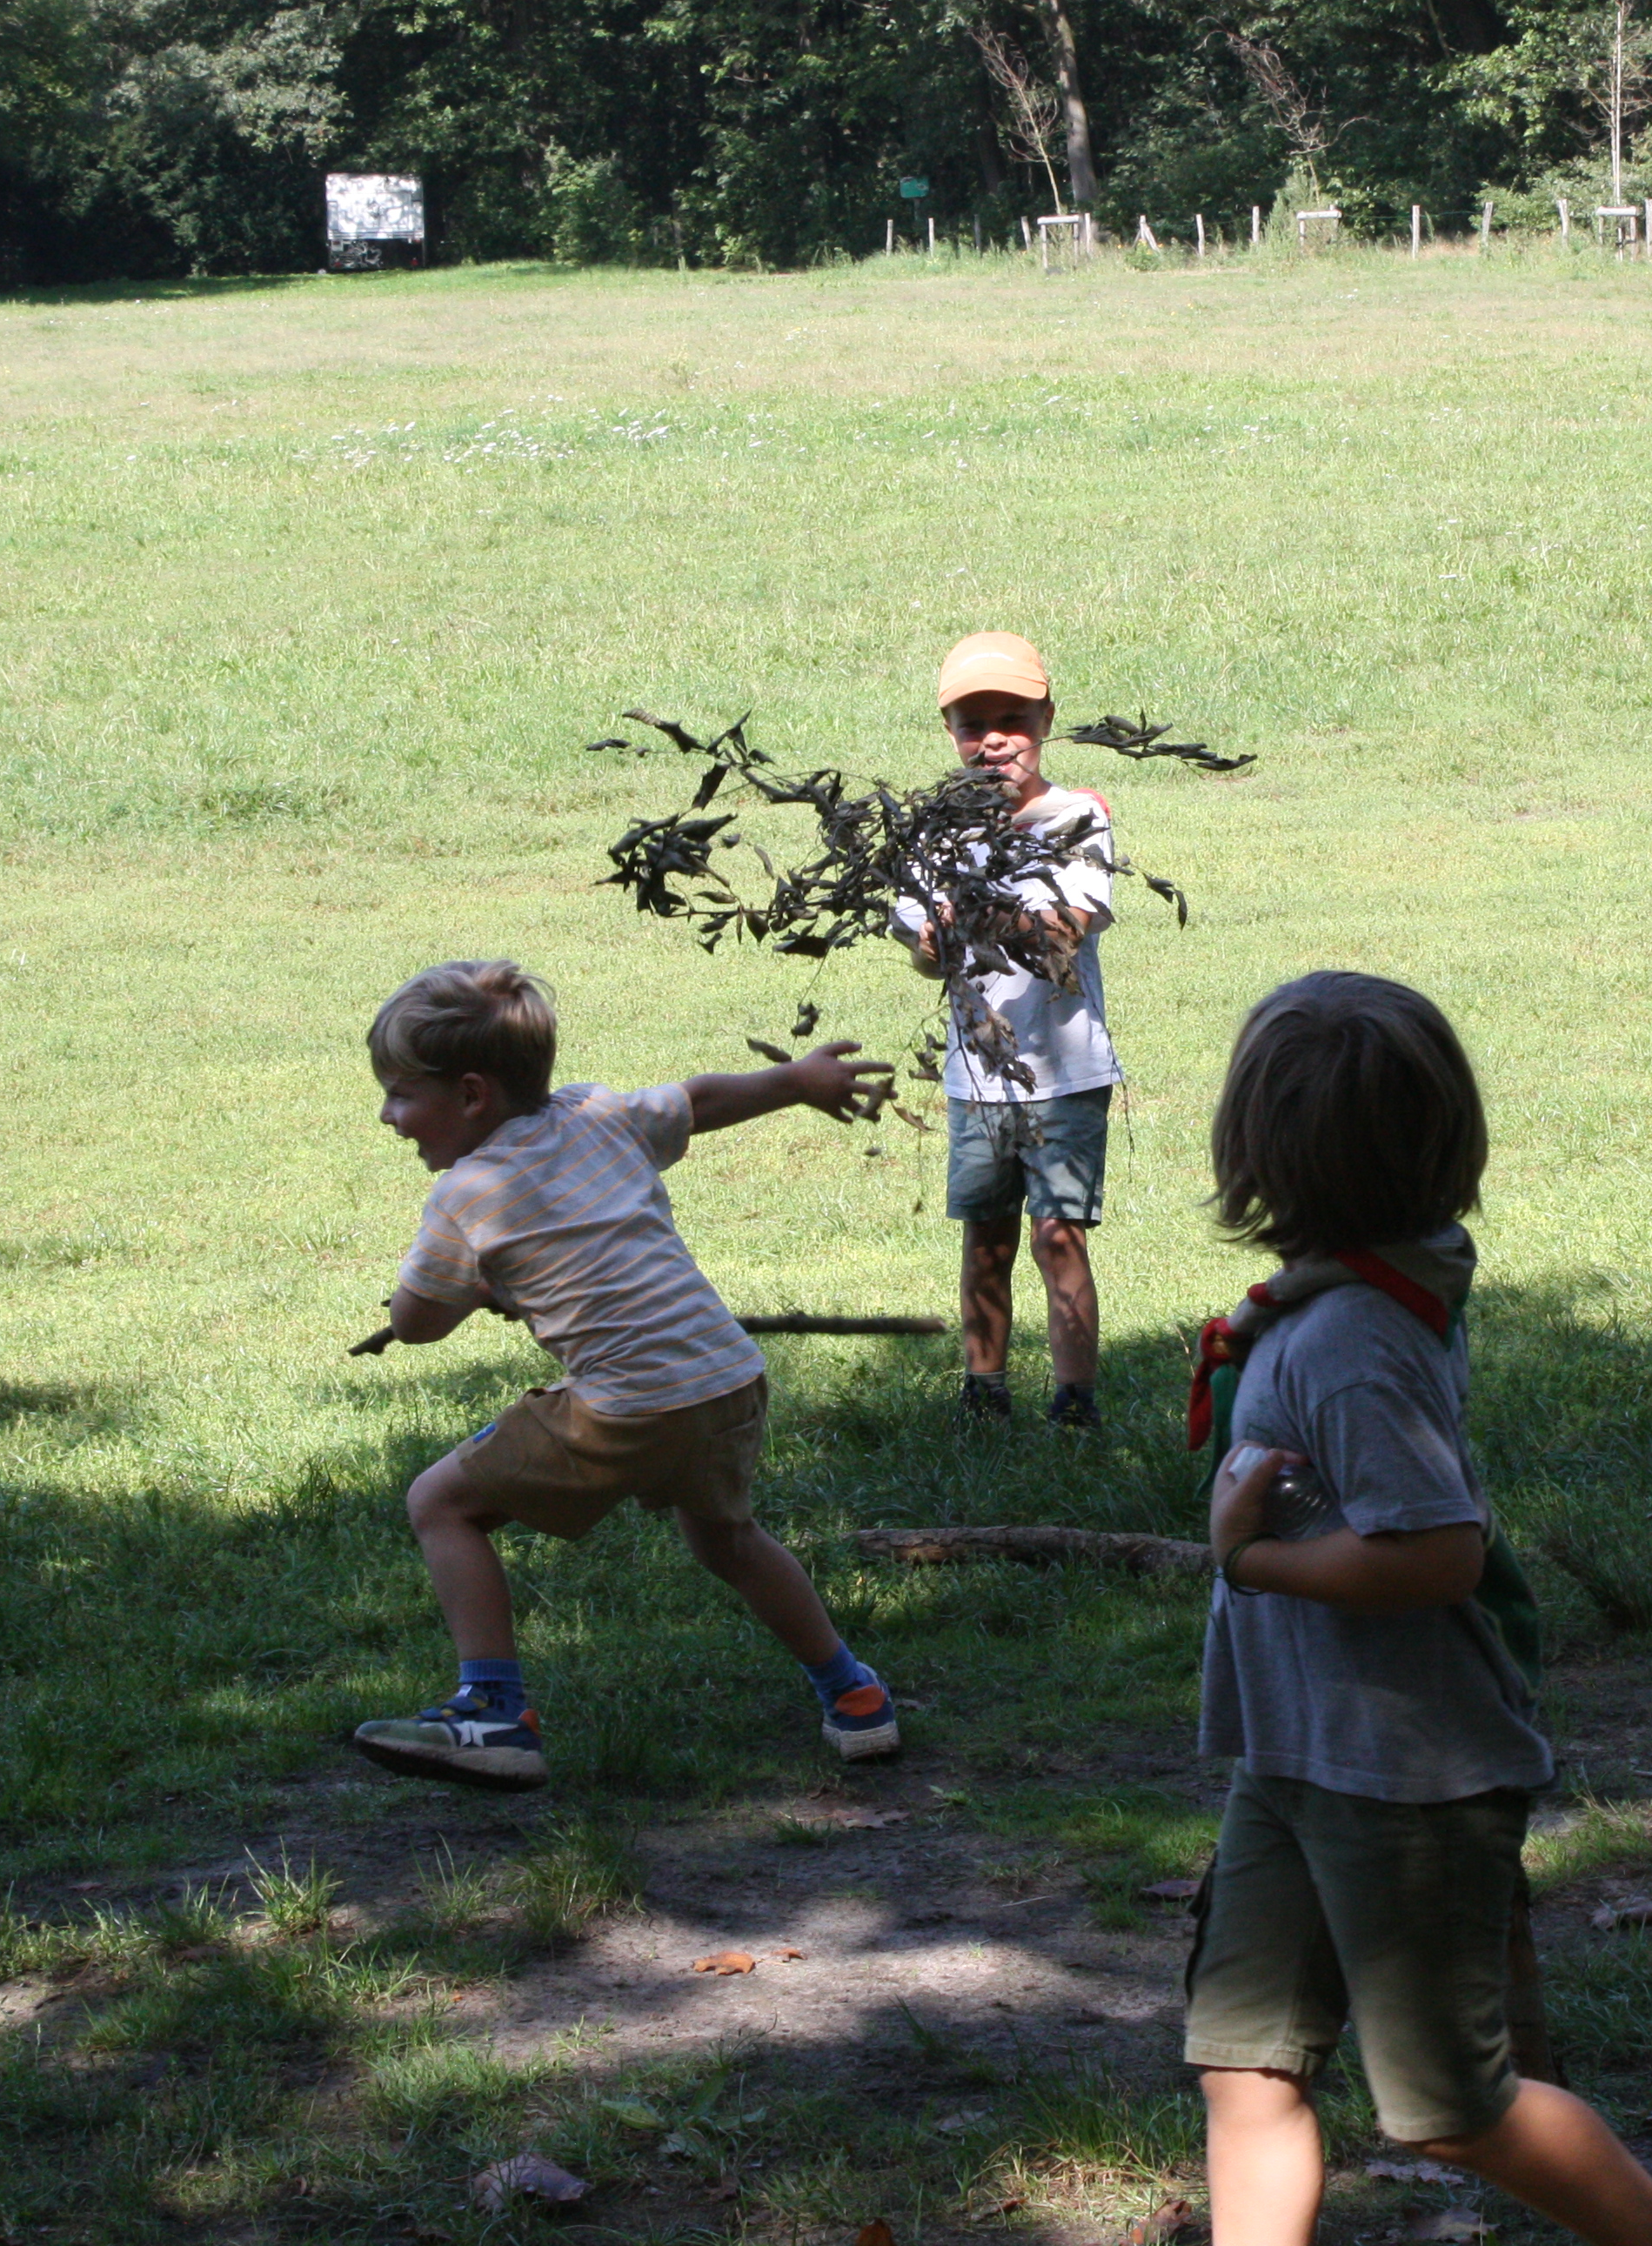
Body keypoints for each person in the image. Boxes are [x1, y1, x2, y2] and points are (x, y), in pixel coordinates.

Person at [1189, 973, 1652, 2246]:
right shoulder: (1357, 1292)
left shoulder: (1349, 1341)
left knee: (1451, 2106)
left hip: (1405, 1769)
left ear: (1259, 1148)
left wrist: (1250, 1560)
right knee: (1245, 2064)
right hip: (1297, 1747)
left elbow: (1436, 1553)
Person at [347, 957, 904, 1789]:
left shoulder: (468, 1193)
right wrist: (796, 1080)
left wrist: (463, 1292)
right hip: (725, 1379)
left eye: (399, 1094)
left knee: (439, 1503)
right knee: (729, 1539)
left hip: (628, 1404)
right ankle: (854, 1695)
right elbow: (699, 1101)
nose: (390, 1117)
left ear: (470, 1096)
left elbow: (419, 1324)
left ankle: (491, 1710)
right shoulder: (597, 1115)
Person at [899, 630, 1118, 1430]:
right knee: (985, 1241)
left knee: (1059, 1234)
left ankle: (1075, 1401)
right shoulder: (932, 832)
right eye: (970, 722)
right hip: (976, 1077)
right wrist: (929, 942)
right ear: (950, 732)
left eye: (1013, 718)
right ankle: (984, 1392)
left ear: (1047, 718)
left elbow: (1071, 925)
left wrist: (984, 915)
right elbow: (926, 952)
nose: (992, 739)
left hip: (1064, 1073)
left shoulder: (1078, 818)